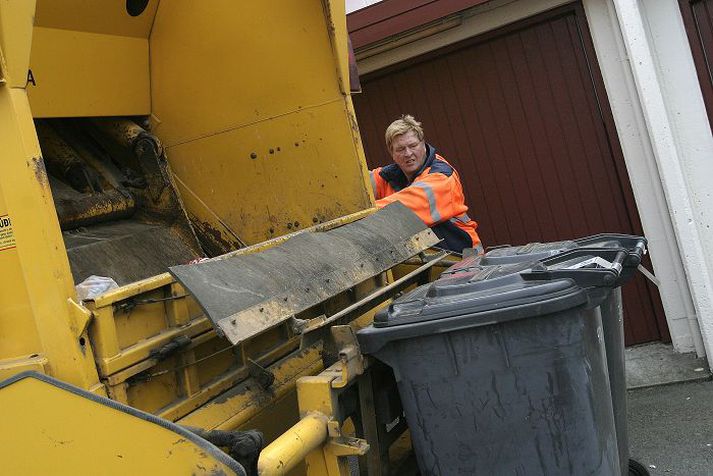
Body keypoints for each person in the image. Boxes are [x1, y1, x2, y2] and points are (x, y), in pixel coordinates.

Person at [369, 115, 483, 254]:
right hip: (431, 264)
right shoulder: (386, 176)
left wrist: (361, 215)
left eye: (413, 146)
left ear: (423, 144)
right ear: (391, 153)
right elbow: (359, 188)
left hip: (465, 261)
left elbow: (404, 209)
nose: (408, 153)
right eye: (400, 149)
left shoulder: (442, 177)